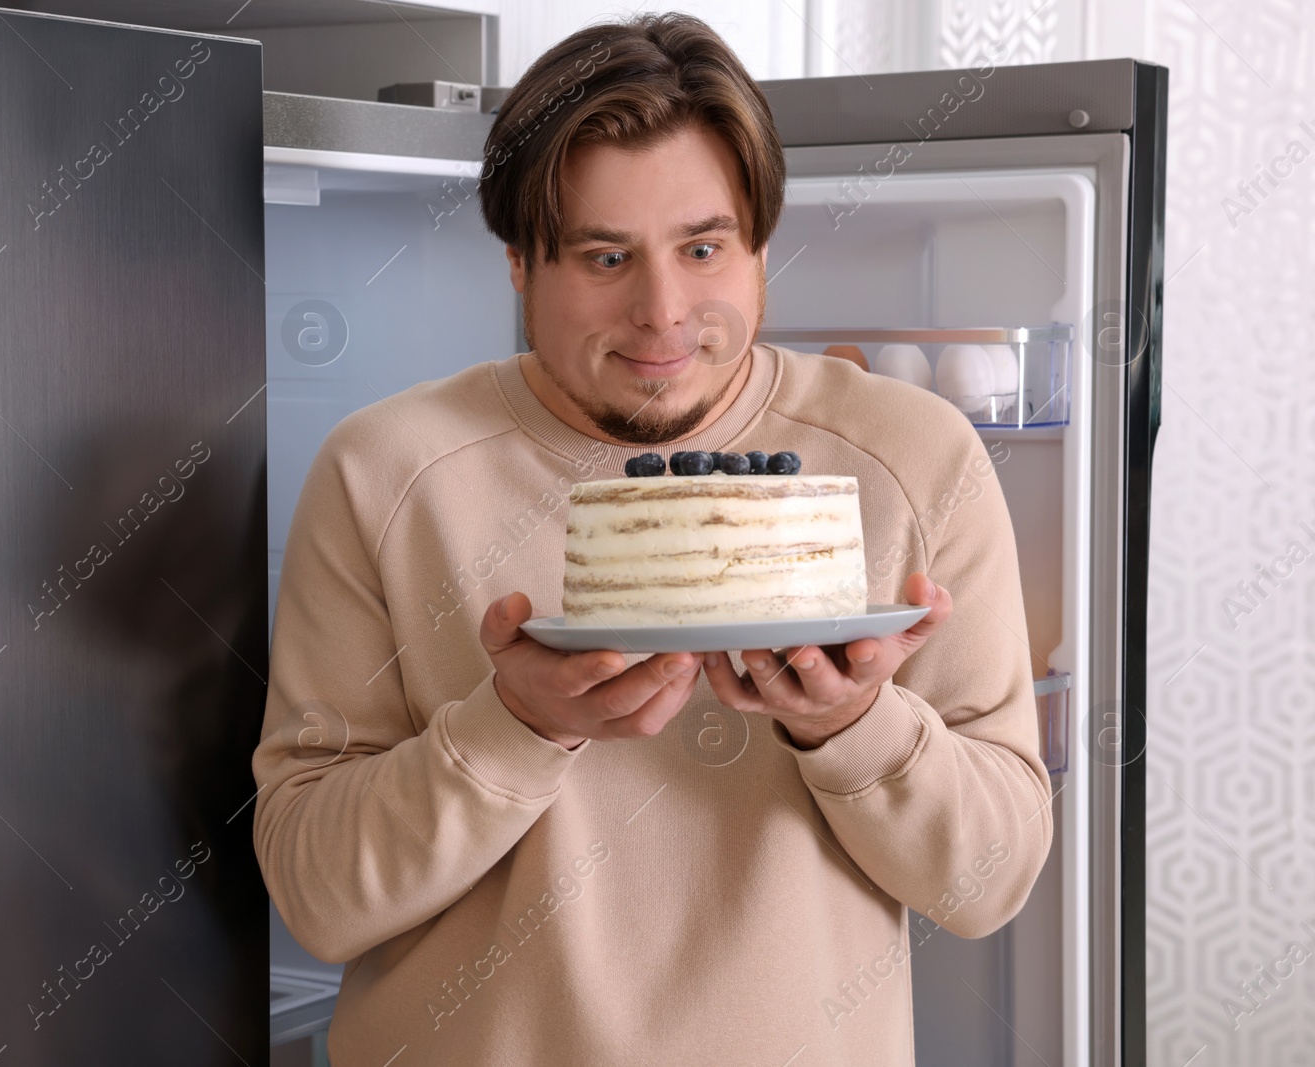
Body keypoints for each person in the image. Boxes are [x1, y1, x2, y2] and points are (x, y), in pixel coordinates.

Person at [253, 12, 1051, 1064]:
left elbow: (986, 883)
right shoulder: (384, 472)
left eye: (703, 247)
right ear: (517, 262)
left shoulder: (911, 455)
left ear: (760, 244)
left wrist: (854, 726)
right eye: (604, 255)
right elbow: (318, 896)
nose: (662, 313)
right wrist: (511, 728)